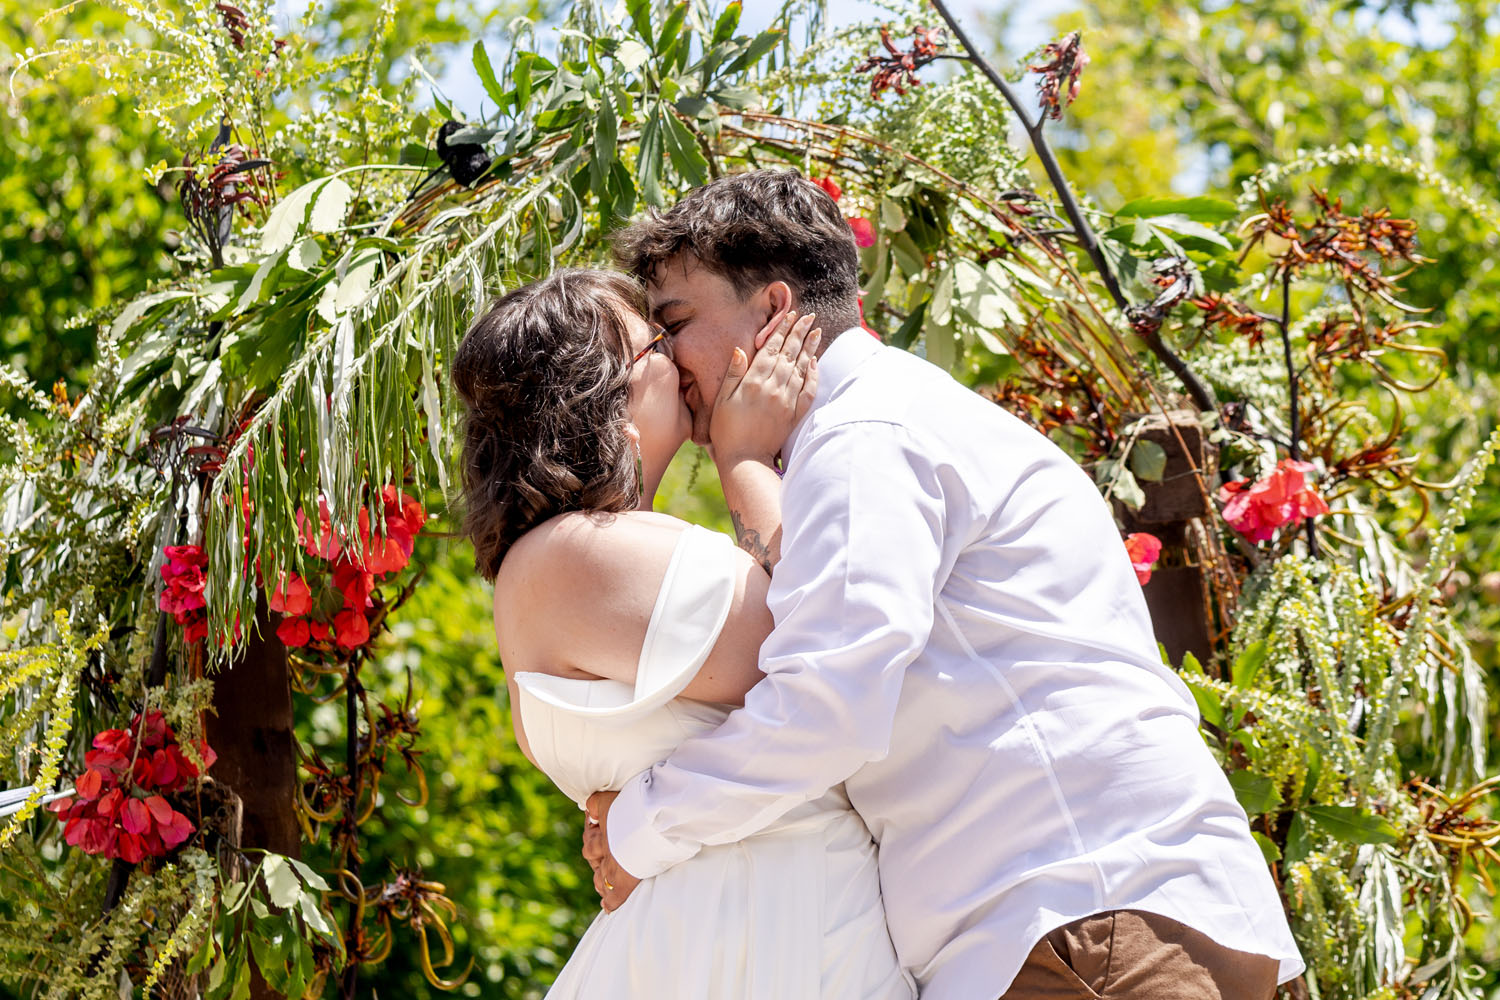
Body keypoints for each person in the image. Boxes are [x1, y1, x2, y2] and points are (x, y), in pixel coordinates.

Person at [580, 169, 1306, 1000]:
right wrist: (746, 462)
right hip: (1085, 920)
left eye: (675, 325)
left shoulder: (864, 440)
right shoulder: (885, 426)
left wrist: (640, 828)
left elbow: (826, 705)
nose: (668, 362)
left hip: (1082, 923)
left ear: (775, 310)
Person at [451, 267, 915, 1000]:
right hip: (755, 937)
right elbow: (827, 632)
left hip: (741, 928)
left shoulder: (570, 554)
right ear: (600, 394)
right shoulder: (577, 552)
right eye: (655, 344)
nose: (679, 355)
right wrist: (744, 459)